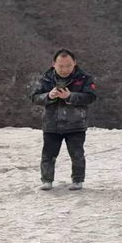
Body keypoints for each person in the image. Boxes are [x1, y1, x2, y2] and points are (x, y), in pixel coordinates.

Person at [30, 49, 96, 191]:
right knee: (48, 154)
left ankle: (78, 180)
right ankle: (47, 180)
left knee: (77, 154)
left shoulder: (84, 78)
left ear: (75, 64)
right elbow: (35, 97)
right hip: (51, 124)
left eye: (68, 66)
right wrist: (49, 96)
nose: (65, 69)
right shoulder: (46, 78)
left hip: (76, 124)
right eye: (61, 66)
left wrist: (70, 96)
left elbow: (90, 97)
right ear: (54, 64)